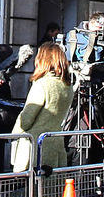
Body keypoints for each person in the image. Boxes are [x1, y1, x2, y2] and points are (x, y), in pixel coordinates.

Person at [10, 43, 73, 172]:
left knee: (30, 188)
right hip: (56, 142)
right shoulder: (67, 85)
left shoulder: (42, 84)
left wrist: (13, 134)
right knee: (52, 189)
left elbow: (26, 118)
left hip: (35, 147)